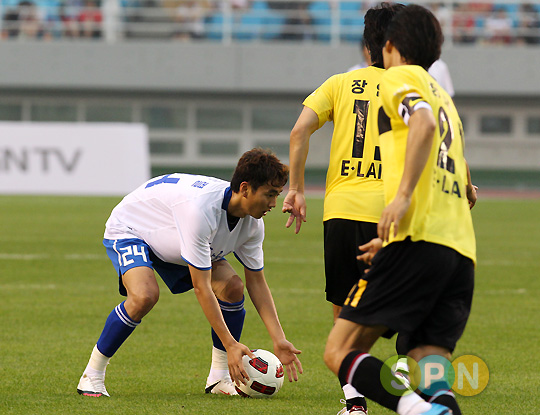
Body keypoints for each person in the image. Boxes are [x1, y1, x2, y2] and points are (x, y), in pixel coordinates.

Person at [324, 5, 476, 415]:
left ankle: (415, 411)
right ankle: (434, 408)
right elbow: (462, 183)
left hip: (418, 241)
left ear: (388, 46)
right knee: (430, 367)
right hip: (459, 252)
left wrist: (403, 197)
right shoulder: (444, 98)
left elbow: (421, 124)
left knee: (340, 350)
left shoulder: (398, 77)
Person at [77, 148, 303, 397]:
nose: (273, 204)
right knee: (144, 296)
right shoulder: (201, 212)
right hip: (134, 227)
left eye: (277, 195)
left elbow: (256, 283)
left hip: (173, 234)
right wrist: (230, 344)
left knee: (233, 288)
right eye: (269, 195)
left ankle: (218, 379)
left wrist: (278, 338)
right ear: (246, 188)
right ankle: (92, 376)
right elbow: (201, 287)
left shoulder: (253, 224)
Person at [282, 3, 405, 414]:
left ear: (366, 45)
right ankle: (410, 381)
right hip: (390, 213)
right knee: (402, 303)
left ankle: (354, 403)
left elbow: (300, 130)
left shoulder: (339, 83)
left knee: (344, 309)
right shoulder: (409, 89)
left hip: (340, 211)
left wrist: (296, 188)